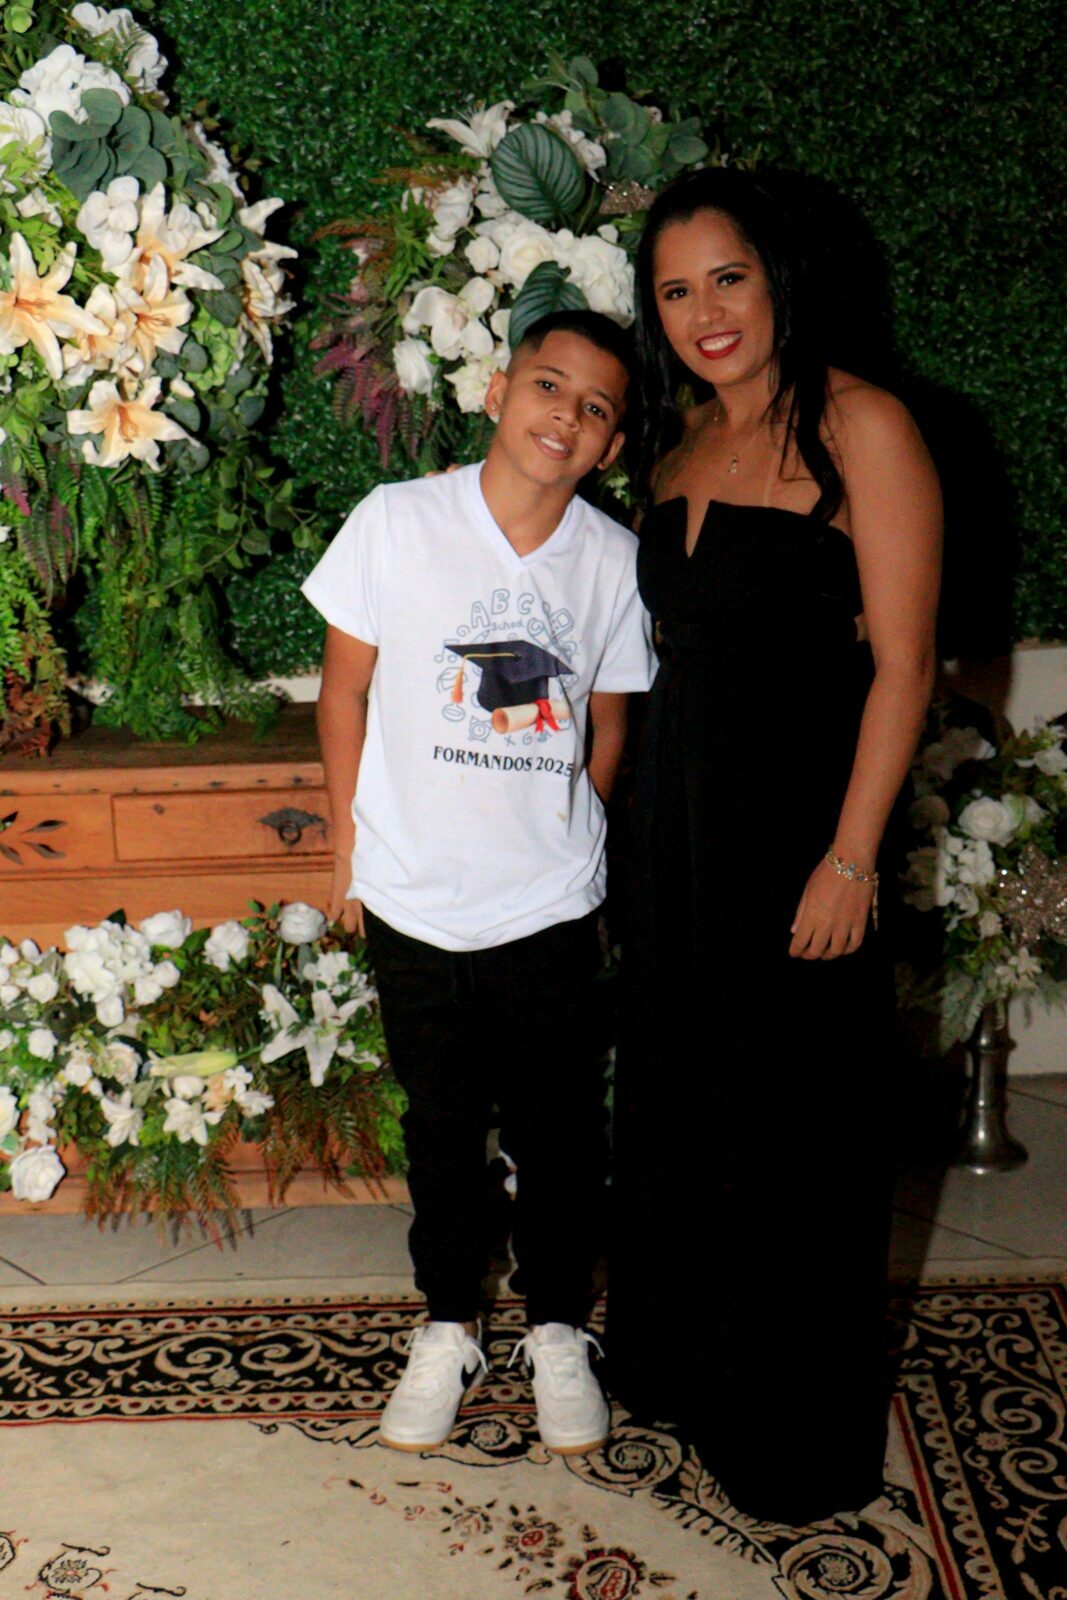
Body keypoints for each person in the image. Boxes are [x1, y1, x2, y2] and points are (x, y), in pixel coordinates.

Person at [607, 169, 941, 1525]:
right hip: (670, 831)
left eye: (727, 277)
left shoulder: (863, 425)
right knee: (681, 1104)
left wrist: (848, 857)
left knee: (792, 1135)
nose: (705, 312)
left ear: (777, 277)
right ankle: (683, 1374)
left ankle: (788, 1437)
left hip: (797, 832)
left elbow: (904, 664)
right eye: (674, 290)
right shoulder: (675, 440)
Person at [302, 309, 656, 1456]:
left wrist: (569, 830)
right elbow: (343, 691)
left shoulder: (611, 561)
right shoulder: (397, 521)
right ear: (498, 390)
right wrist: (351, 846)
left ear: (611, 442)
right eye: (548, 386)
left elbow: (608, 720)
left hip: (546, 907)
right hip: (413, 895)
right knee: (441, 1125)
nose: (566, 416)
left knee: (560, 1132)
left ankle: (555, 1325)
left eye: (594, 406)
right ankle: (447, 1321)